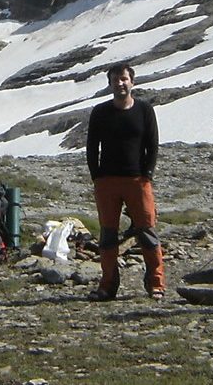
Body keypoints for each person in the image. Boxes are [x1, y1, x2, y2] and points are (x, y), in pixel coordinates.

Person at [84, 63, 165, 300]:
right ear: (110, 84)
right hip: (107, 181)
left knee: (147, 232)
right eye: (116, 80)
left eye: (124, 79)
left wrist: (147, 174)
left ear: (132, 82)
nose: (120, 83)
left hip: (137, 181)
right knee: (108, 235)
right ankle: (108, 285)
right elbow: (92, 147)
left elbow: (153, 144)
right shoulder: (100, 112)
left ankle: (156, 284)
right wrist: (96, 176)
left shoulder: (144, 110)